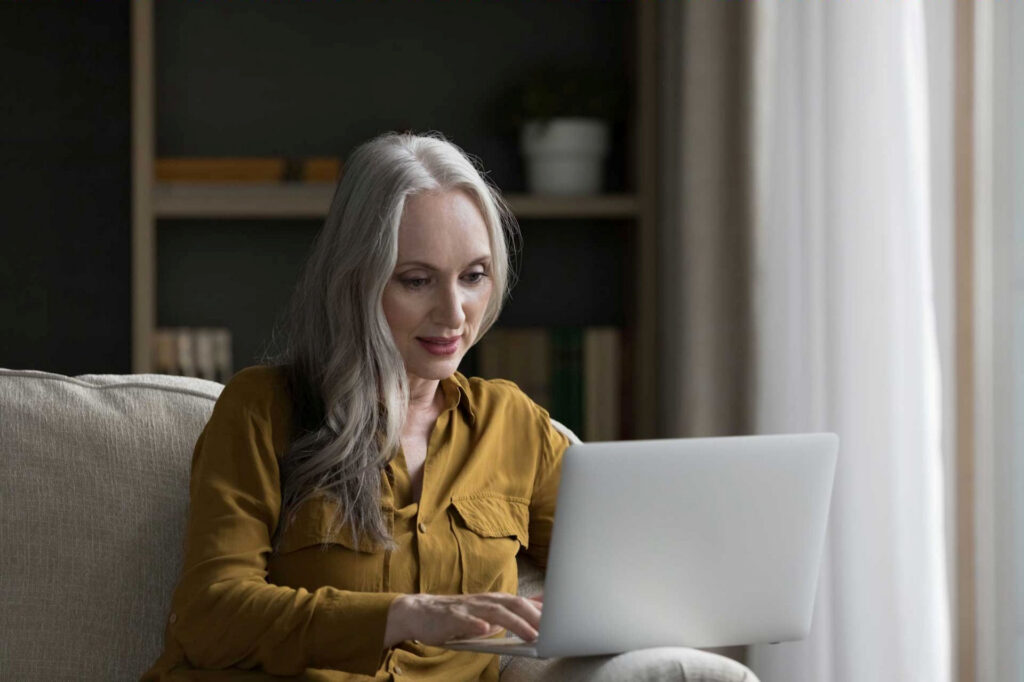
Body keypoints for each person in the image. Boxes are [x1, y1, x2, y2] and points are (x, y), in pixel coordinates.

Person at [142, 131, 572, 681]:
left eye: (473, 276)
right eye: (416, 281)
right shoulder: (264, 409)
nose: (454, 313)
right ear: (355, 280)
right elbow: (210, 616)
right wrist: (403, 615)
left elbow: (620, 591)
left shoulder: (513, 427)